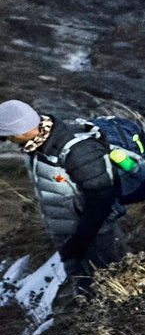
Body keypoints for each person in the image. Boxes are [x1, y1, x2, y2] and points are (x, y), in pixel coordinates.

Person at [1, 99, 128, 292]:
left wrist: (81, 239)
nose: (6, 140)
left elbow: (101, 196)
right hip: (67, 230)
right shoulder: (35, 146)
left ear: (19, 131)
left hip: (98, 233)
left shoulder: (77, 150)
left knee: (116, 281)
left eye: (7, 135)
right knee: (83, 285)